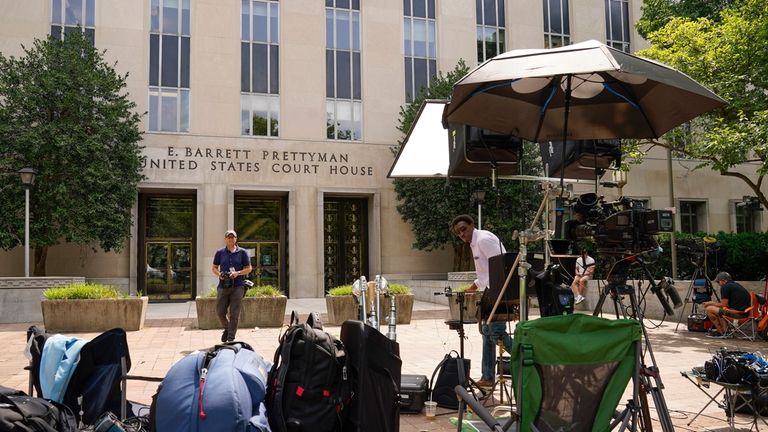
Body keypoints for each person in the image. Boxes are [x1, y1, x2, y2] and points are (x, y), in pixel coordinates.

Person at [451, 214, 512, 389]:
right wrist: (471, 288)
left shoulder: (483, 239)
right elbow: (485, 273)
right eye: (458, 233)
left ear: (472, 225)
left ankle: (525, 361)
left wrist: (499, 295)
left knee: (494, 332)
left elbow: (502, 266)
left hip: (499, 292)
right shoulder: (474, 243)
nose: (462, 234)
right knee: (487, 333)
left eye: (463, 229)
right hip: (490, 292)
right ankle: (487, 377)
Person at [212, 230, 253, 342]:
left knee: (234, 314)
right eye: (228, 237)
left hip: (238, 286)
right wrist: (219, 274)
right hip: (223, 286)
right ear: (225, 239)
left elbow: (249, 268)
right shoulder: (219, 252)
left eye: (232, 237)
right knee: (220, 312)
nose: (230, 239)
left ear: (236, 239)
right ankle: (227, 328)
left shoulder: (242, 252)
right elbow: (214, 267)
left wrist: (238, 273)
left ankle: (231, 339)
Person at [703, 271, 751, 337]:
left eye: (718, 282)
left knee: (709, 309)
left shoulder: (725, 287)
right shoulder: (735, 285)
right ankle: (725, 331)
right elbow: (726, 305)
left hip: (738, 314)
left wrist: (710, 303)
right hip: (745, 313)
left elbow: (724, 304)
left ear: (723, 281)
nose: (718, 284)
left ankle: (720, 332)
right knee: (720, 311)